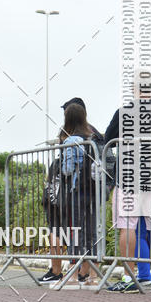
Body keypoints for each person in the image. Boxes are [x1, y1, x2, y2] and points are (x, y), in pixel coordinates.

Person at [105, 94, 151, 293]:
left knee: (127, 225)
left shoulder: (125, 112)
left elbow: (109, 138)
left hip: (129, 176)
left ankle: (129, 278)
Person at [39, 98, 102, 285]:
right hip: (93, 191)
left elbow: (67, 170)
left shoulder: (72, 140)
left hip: (76, 192)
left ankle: (73, 275)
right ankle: (93, 276)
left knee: (75, 232)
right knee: (91, 233)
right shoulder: (94, 138)